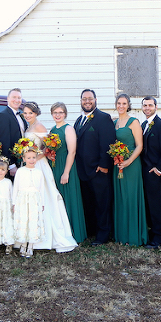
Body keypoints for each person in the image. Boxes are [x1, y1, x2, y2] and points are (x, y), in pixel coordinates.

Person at [21, 101, 77, 253]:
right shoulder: (29, 127)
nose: (27, 116)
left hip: (38, 165)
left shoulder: (39, 126)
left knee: (44, 197)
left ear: (36, 113)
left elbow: (47, 149)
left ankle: (47, 235)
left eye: (30, 113)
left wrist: (32, 159)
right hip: (29, 165)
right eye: (25, 113)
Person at [74, 89, 116, 245]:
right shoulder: (78, 121)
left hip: (99, 170)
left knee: (102, 203)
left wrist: (104, 165)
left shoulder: (103, 118)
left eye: (90, 99)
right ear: (81, 101)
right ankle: (92, 231)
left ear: (95, 100)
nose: (87, 101)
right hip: (83, 171)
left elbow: (108, 142)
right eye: (84, 99)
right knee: (89, 202)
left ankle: (103, 235)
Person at [112, 94, 148, 246]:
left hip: (131, 165)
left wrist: (128, 161)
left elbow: (139, 145)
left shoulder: (133, 122)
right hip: (117, 164)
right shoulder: (114, 122)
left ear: (128, 105)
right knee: (120, 197)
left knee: (130, 196)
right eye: (119, 103)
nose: (121, 106)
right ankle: (121, 234)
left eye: (124, 103)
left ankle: (133, 235)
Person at [140, 96, 161, 249]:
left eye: (150, 105)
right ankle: (152, 232)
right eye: (145, 105)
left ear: (156, 106)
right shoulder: (143, 125)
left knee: (156, 205)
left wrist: (160, 169)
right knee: (148, 204)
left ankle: (160, 236)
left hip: (155, 173)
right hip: (144, 172)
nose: (147, 108)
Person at [49, 102, 87, 243]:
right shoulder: (52, 129)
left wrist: (66, 172)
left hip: (66, 166)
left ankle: (73, 232)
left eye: (60, 112)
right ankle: (61, 231)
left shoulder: (68, 129)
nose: (57, 115)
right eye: (55, 113)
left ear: (65, 114)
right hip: (54, 166)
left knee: (69, 198)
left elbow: (72, 151)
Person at [12, 147, 45, 258]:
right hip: (22, 199)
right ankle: (23, 244)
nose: (32, 160)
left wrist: (42, 203)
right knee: (23, 220)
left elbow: (41, 189)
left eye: (34, 158)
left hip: (34, 199)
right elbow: (15, 187)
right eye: (29, 158)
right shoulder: (20, 171)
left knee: (33, 220)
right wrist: (14, 202)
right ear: (24, 159)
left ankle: (30, 245)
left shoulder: (39, 172)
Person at [0, 88, 27, 177]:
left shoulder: (21, 116)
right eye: (14, 97)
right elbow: (3, 142)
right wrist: (11, 165)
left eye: (19, 98)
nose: (17, 100)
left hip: (22, 161)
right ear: (8, 98)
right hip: (12, 164)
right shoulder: (3, 116)